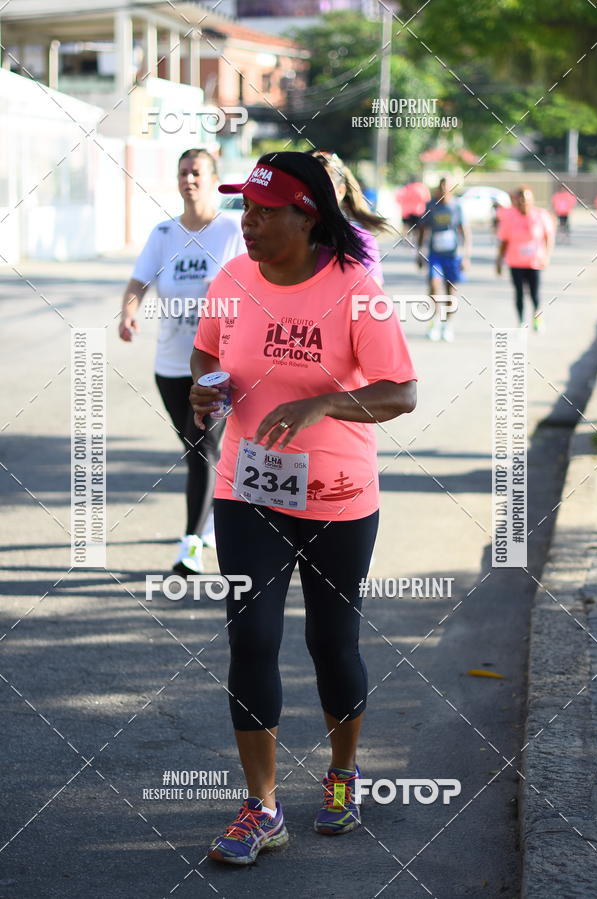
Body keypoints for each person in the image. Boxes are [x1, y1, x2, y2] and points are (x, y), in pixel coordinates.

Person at [189, 151, 417, 865]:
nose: (246, 223)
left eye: (262, 212)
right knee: (251, 641)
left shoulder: (357, 289)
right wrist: (208, 389)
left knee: (331, 642)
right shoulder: (230, 278)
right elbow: (205, 356)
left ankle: (343, 773)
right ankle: (261, 806)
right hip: (247, 487)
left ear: (305, 215)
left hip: (338, 496)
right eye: (245, 209)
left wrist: (324, 400)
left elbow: (401, 391)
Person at [118, 148, 245, 573]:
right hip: (170, 364)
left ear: (213, 179)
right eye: (183, 173)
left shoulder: (232, 231)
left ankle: (191, 543)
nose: (188, 180)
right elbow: (139, 280)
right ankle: (212, 514)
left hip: (216, 364)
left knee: (203, 447)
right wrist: (129, 312)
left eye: (196, 173)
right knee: (196, 450)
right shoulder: (164, 234)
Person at [309, 149, 389, 285]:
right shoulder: (281, 236)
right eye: (308, 186)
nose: (314, 194)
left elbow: (370, 298)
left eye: (323, 188)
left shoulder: (361, 241)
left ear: (340, 191)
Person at [416, 176, 471, 343]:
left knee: (450, 291)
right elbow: (423, 229)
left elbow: (465, 232)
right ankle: (434, 323)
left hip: (452, 255)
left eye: (446, 188)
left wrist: (466, 256)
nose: (443, 191)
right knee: (433, 285)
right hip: (435, 254)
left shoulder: (457, 207)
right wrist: (419, 252)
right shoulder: (431, 205)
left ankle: (447, 325)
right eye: (441, 187)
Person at [496, 185, 554, 331]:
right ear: (517, 200)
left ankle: (537, 316)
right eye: (521, 198)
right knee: (519, 293)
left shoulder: (540, 215)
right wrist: (499, 260)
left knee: (534, 293)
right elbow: (503, 241)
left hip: (534, 262)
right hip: (515, 262)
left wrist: (547, 255)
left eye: (526, 198)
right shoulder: (509, 217)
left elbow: (548, 237)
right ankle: (521, 322)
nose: (523, 202)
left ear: (532, 200)